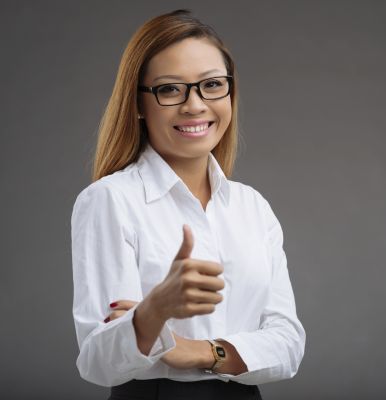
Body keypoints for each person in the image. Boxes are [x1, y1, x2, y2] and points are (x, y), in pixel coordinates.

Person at [71, 9, 305, 400]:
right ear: (138, 103)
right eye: (170, 89)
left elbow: (288, 344)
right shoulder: (110, 200)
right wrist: (153, 314)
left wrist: (199, 351)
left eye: (212, 84)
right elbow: (97, 361)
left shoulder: (252, 207)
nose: (195, 105)